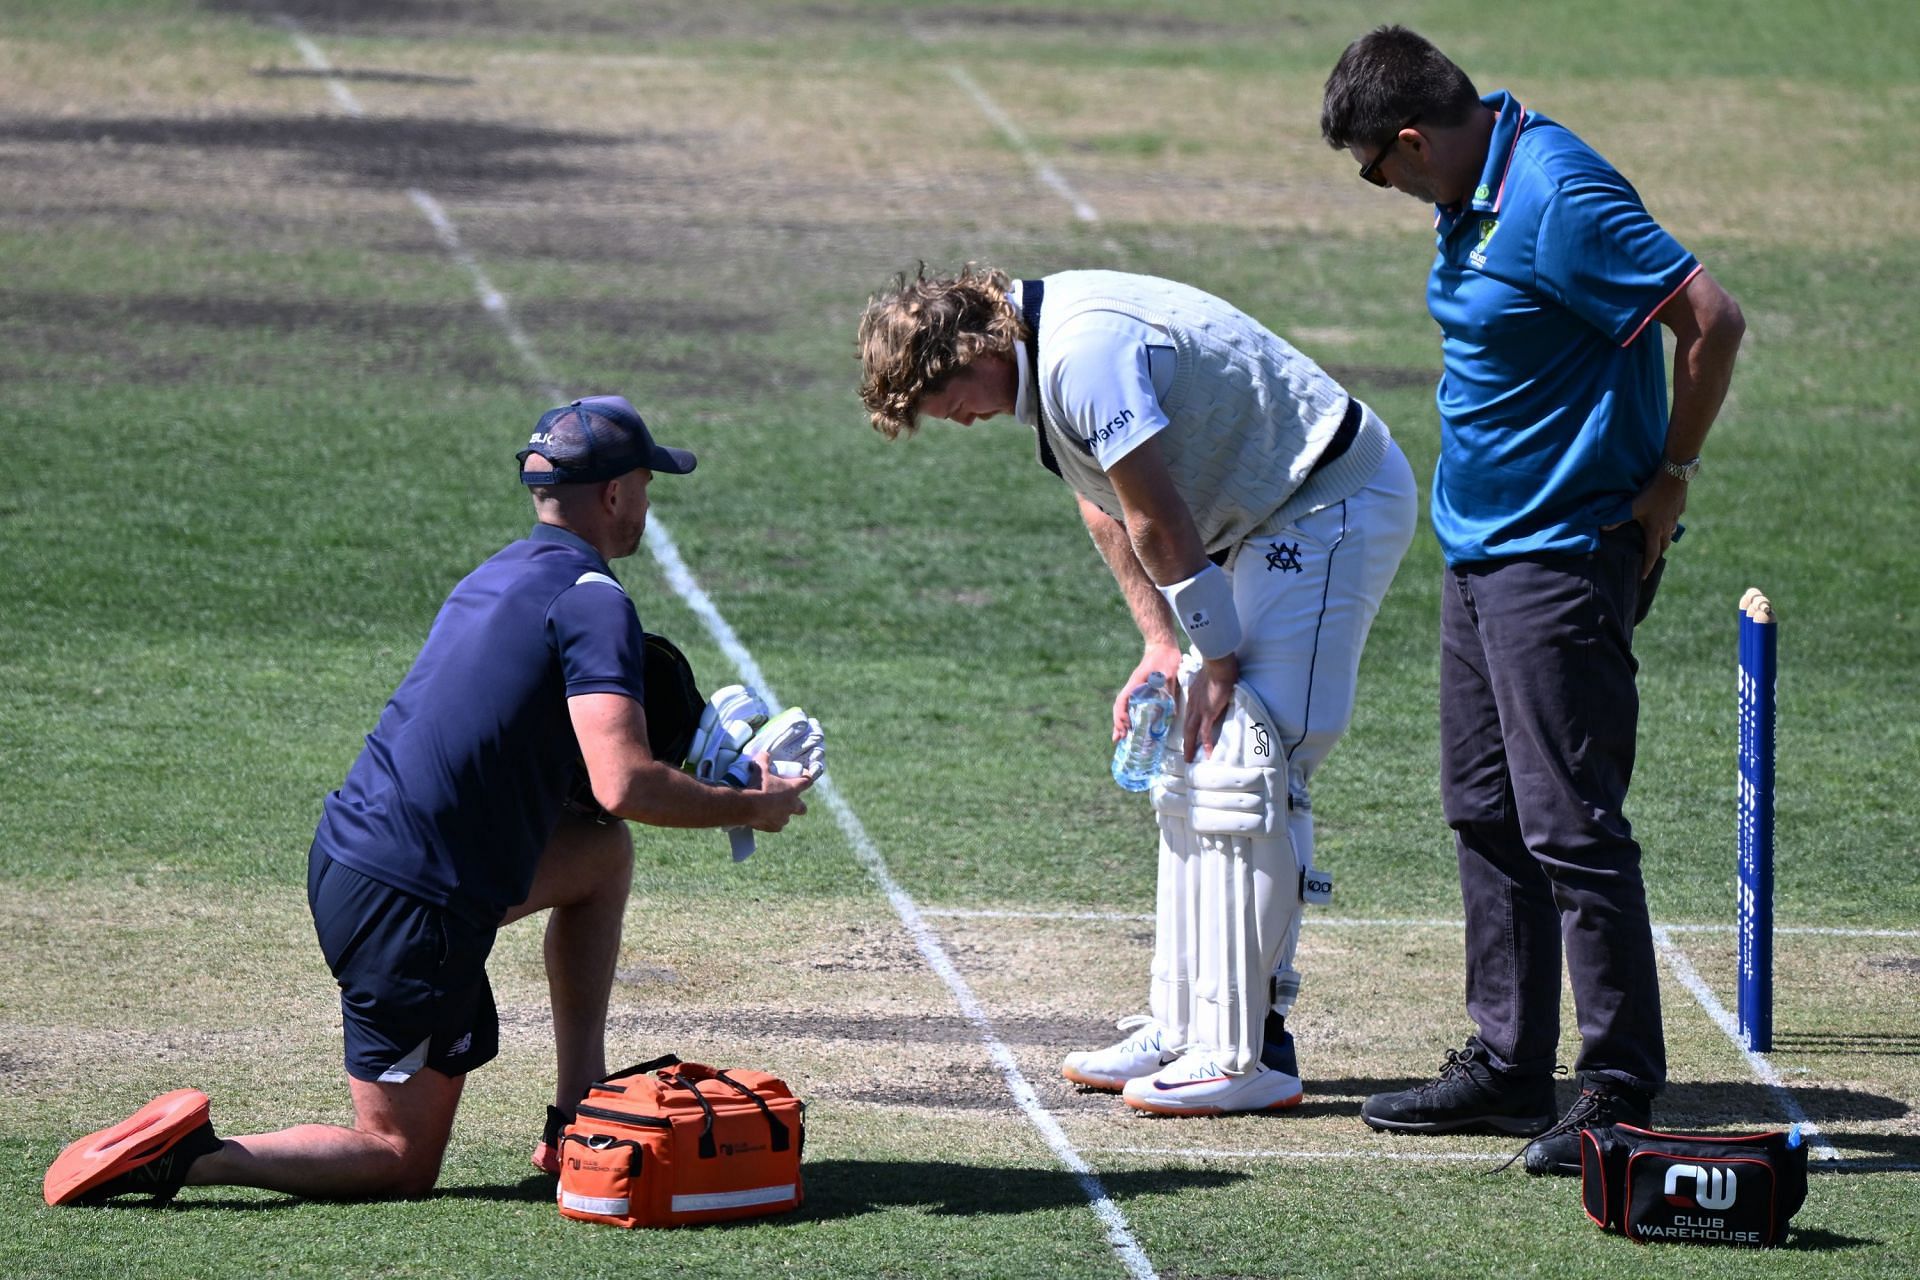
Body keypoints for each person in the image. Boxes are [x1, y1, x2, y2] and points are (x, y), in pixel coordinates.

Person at [44, 395, 815, 1206]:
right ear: (617, 494)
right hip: (412, 905)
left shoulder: (501, 574)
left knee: (597, 856)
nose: (649, 505)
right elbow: (622, 781)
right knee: (399, 1157)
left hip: (355, 856)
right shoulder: (596, 600)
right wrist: (748, 805)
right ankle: (195, 1157)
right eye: (646, 486)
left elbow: (544, 760)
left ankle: (576, 1111)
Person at [1319, 27, 1746, 1173]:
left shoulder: (1558, 193)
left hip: (1562, 554)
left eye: (1375, 169)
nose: (1382, 190)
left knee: (1573, 824)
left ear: (1412, 139)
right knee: (1483, 807)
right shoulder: (1476, 185)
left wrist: (1672, 475)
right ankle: (1511, 1065)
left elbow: (1710, 317)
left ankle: (1619, 1090)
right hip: (1482, 550)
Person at [858, 265, 1416, 1115]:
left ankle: (1246, 1052)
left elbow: (1156, 516)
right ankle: (1185, 1023)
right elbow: (1107, 504)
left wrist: (1218, 656)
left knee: (1247, 760)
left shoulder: (1082, 353)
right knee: (1181, 759)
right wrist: (1165, 643)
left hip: (1327, 503)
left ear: (970, 349)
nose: (955, 421)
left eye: (945, 401)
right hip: (1262, 520)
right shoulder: (1040, 357)